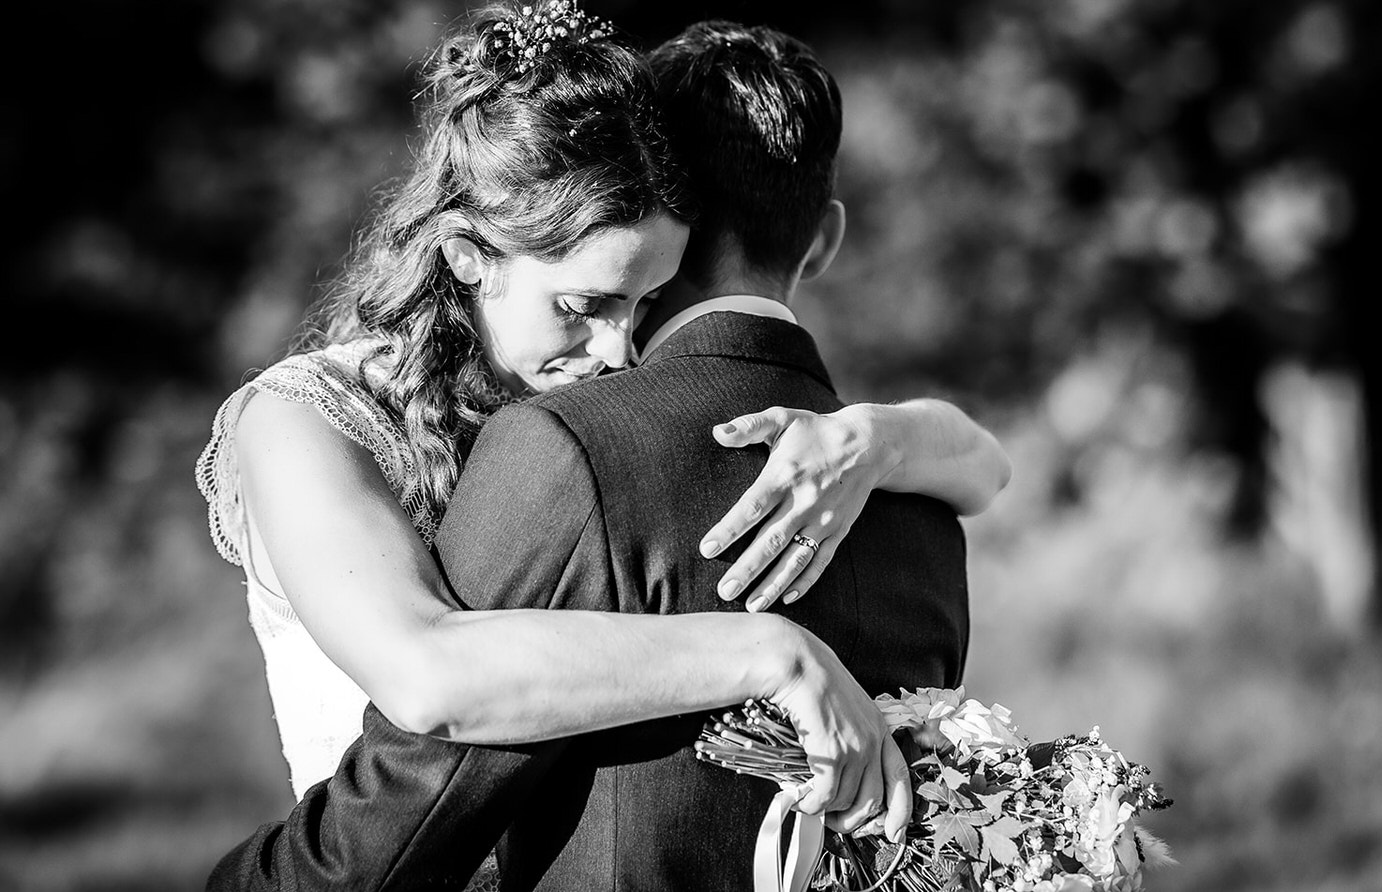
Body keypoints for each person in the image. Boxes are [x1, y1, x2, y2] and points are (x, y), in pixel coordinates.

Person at [199, 3, 1007, 889]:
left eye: (645, 301)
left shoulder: (586, 413)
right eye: (584, 307)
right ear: (470, 254)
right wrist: (769, 653)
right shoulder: (306, 419)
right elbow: (428, 677)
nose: (618, 350)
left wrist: (877, 435)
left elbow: (984, 467)